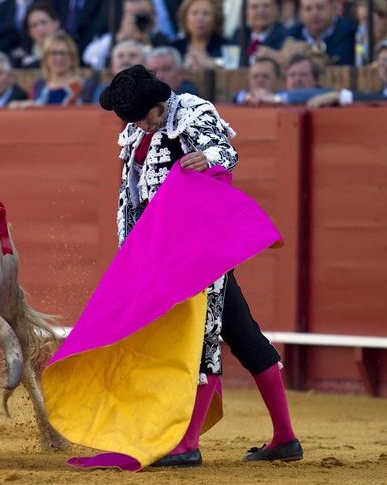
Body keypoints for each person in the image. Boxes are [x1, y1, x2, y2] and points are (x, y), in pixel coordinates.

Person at [99, 64, 303, 466]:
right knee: (242, 336)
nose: (141, 124)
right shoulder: (137, 129)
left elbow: (227, 152)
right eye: (134, 119)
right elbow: (131, 192)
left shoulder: (190, 110)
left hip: (197, 249)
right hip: (159, 253)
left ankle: (187, 443)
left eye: (146, 116)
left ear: (160, 102)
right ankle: (285, 438)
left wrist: (205, 158)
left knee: (201, 337)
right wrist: (131, 251)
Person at [82, 0, 169, 69]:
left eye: (142, 15)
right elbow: (89, 58)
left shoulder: (162, 40)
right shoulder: (111, 39)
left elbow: (161, 68)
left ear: (154, 16)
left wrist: (146, 43)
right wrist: (119, 39)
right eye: (132, 15)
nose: (138, 19)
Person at [308, 39, 387, 106]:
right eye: (383, 61)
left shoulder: (378, 95)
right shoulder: (378, 91)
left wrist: (340, 96)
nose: (386, 66)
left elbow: (382, 98)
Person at [286, 0, 356, 66]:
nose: (314, 14)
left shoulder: (352, 34)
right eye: (308, 9)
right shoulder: (290, 37)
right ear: (300, 12)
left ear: (333, 7)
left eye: (320, 7)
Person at [10, 1, 61, 68]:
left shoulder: (72, 46)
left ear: (56, 23)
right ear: (29, 32)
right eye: (34, 25)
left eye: (44, 23)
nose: (40, 29)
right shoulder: (23, 57)